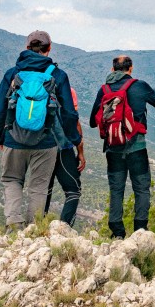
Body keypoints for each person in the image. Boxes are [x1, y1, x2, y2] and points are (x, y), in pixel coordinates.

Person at [0, 30, 81, 232]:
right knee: (39, 187)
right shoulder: (58, 75)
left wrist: (0, 135)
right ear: (49, 49)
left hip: (14, 140)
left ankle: (14, 225)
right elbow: (69, 114)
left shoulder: (13, 73)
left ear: (26, 48)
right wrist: (74, 140)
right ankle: (33, 230)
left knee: (12, 180)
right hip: (46, 143)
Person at [89, 55, 155, 238]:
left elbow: (93, 121)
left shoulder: (104, 89)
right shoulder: (139, 86)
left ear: (112, 68)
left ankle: (117, 232)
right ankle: (140, 231)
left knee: (116, 188)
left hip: (112, 147)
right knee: (141, 188)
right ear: (130, 69)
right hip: (136, 147)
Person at [43, 87, 86, 227]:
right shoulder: (68, 91)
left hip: (41, 147)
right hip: (63, 147)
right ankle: (63, 228)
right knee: (73, 190)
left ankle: (36, 226)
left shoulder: (38, 89)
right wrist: (80, 151)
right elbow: (74, 120)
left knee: (43, 189)